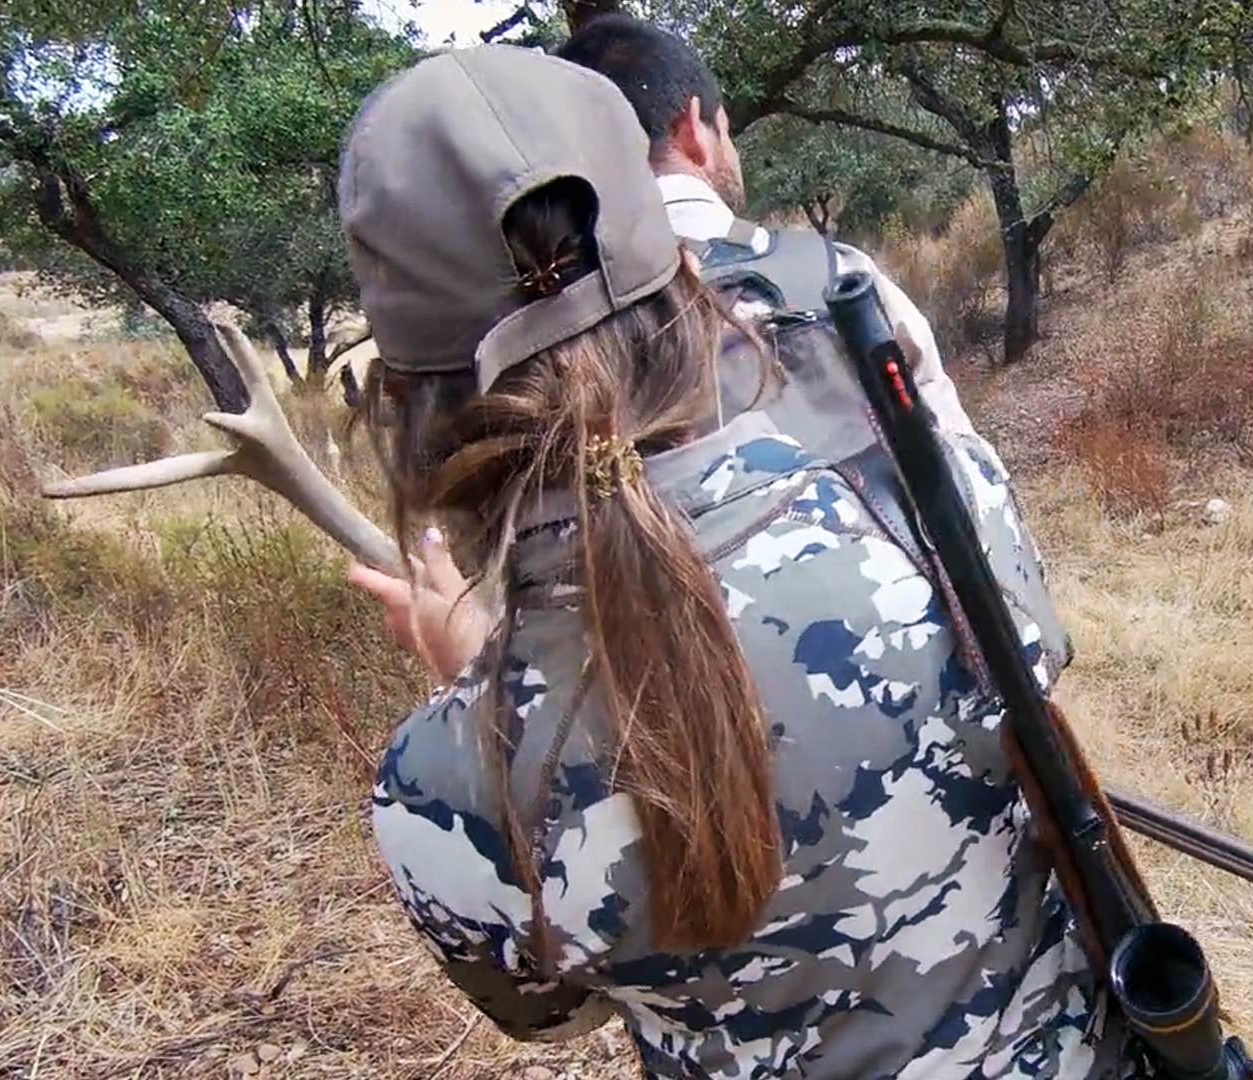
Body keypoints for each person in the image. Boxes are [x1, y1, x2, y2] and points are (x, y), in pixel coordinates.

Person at [337, 44, 1125, 1080]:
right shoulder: (937, 513)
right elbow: (1032, 674)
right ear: (690, 286)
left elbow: (552, 1012)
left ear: (409, 396)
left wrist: (485, 694)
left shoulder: (434, 787)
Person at [552, 14, 979, 440]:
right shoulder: (840, 277)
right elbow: (963, 469)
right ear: (689, 127)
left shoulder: (549, 356)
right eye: (725, 129)